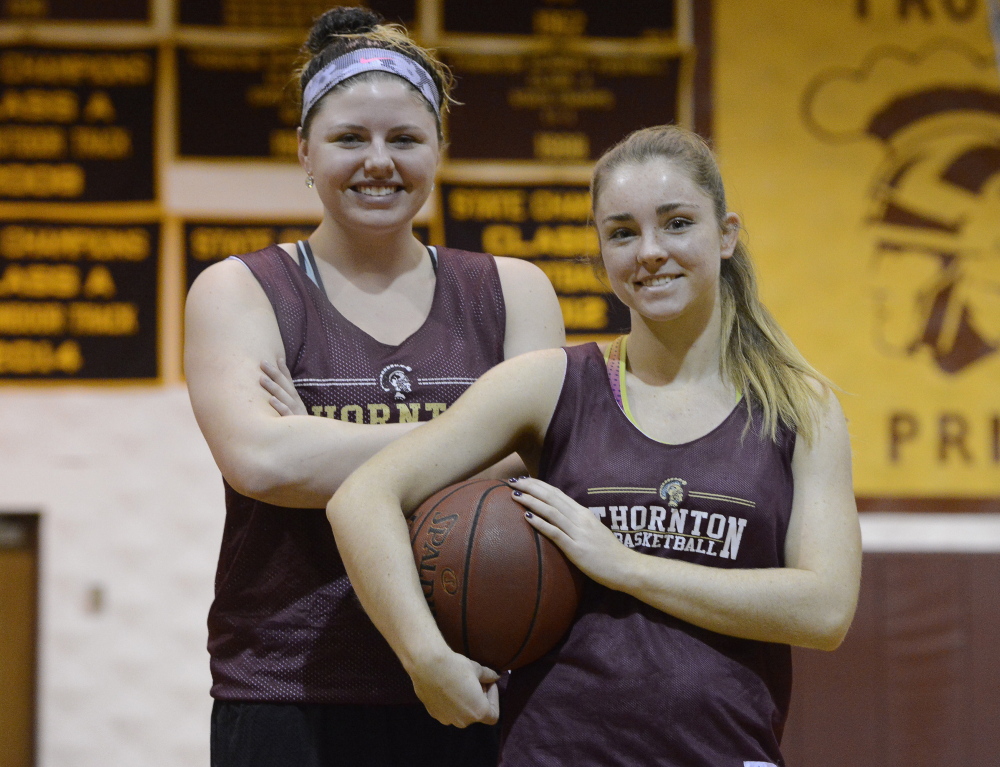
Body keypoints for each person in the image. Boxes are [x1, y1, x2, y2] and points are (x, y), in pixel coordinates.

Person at [324, 125, 863, 766]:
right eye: (623, 233)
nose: (650, 252)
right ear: (603, 255)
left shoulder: (798, 407)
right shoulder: (553, 385)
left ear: (726, 234)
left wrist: (626, 567)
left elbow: (825, 610)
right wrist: (425, 658)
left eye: (677, 223)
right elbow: (361, 497)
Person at [183, 7, 564, 767]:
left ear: (439, 150)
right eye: (350, 138)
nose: (378, 161)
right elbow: (262, 462)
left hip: (475, 673)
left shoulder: (514, 290)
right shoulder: (240, 290)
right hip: (288, 682)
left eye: (404, 139)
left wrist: (320, 442)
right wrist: (483, 434)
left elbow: (546, 458)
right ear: (304, 152)